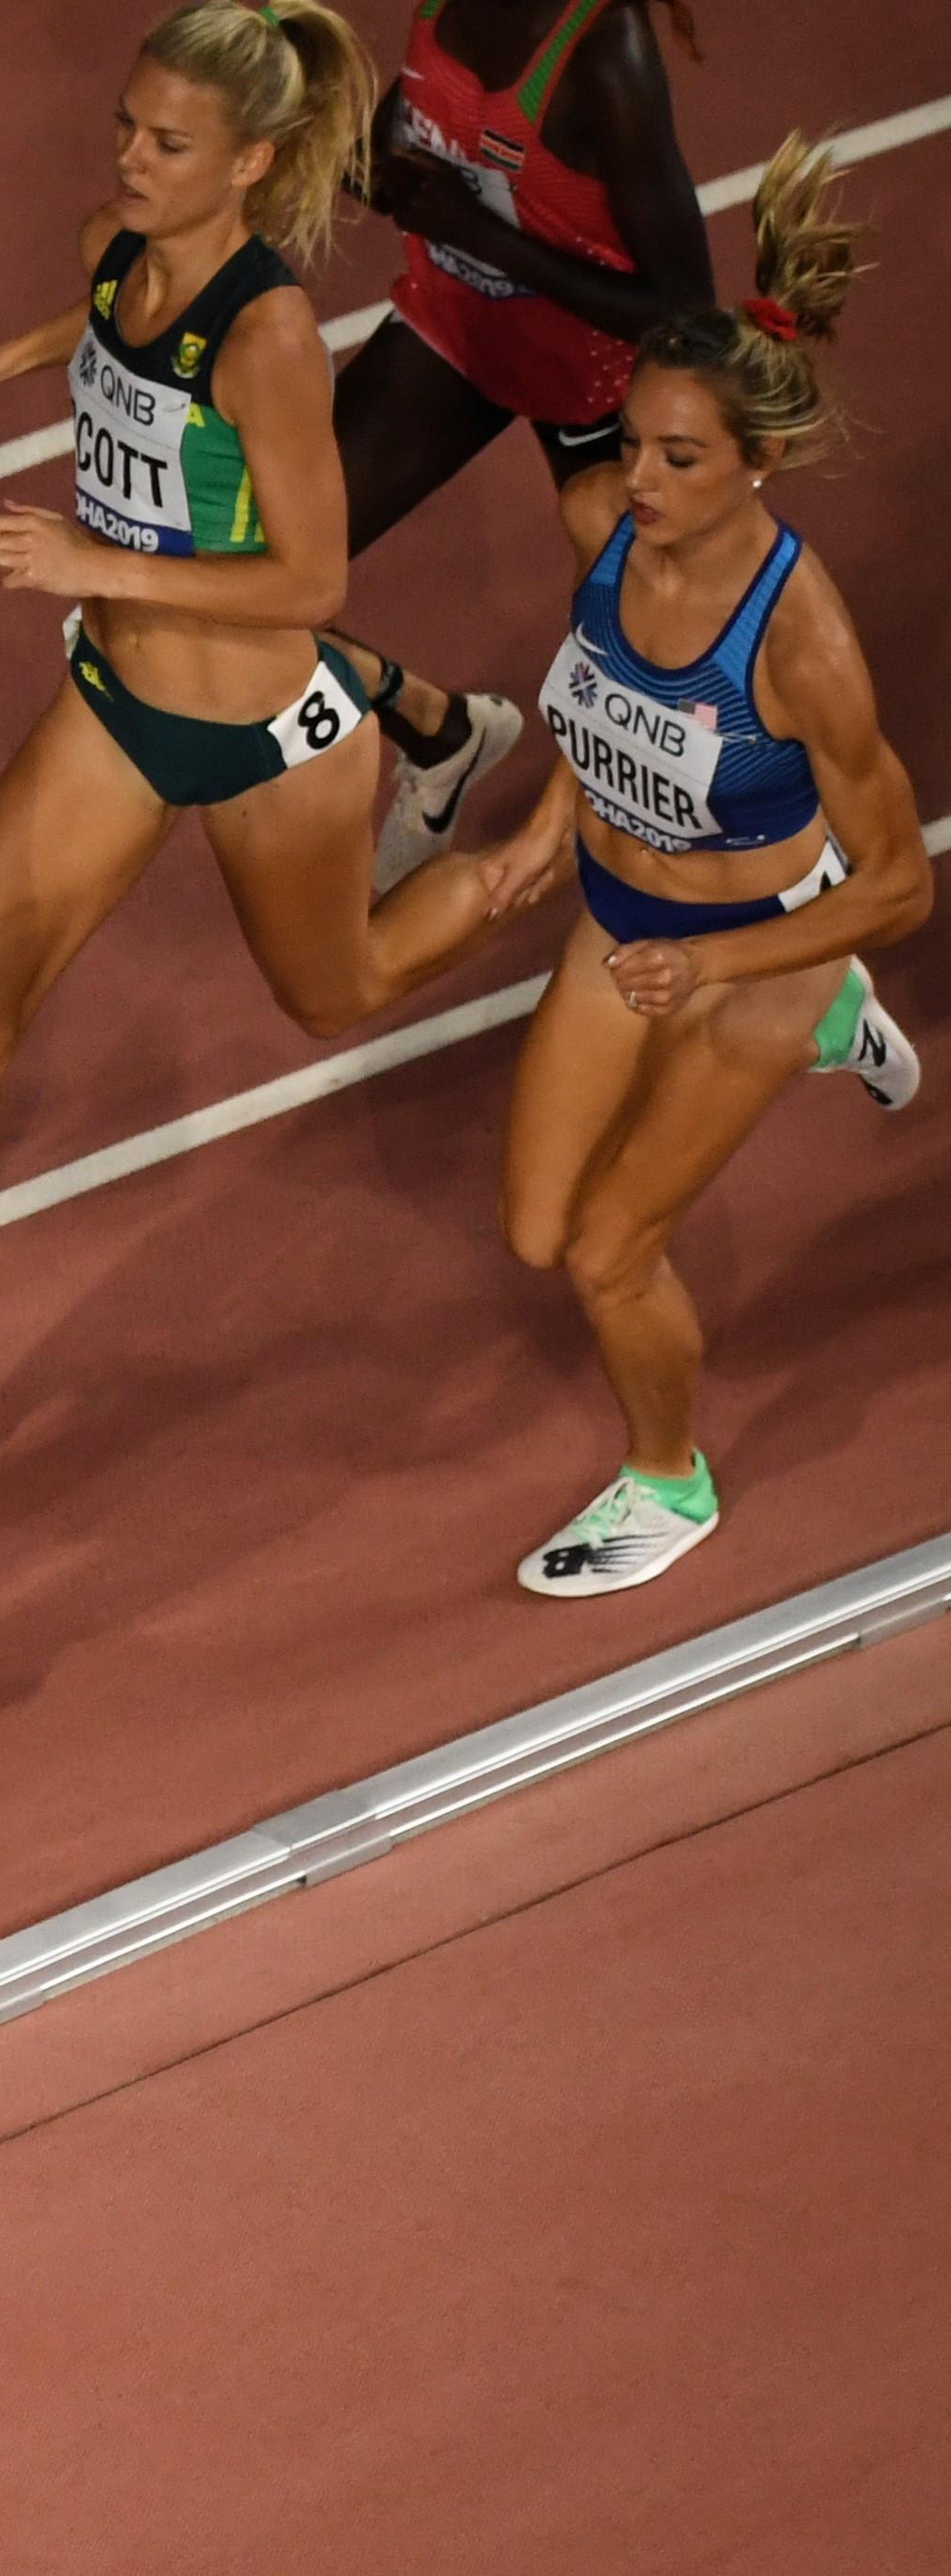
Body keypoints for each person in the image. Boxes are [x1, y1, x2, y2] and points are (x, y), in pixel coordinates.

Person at [0, 2, 529, 1465]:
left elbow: (310, 575)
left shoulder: (269, 331)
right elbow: (100, 324)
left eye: (169, 143)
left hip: (263, 736)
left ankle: (554, 834)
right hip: (115, 711)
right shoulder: (113, 238)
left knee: (333, 994)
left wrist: (92, 564)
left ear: (251, 163)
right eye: (124, 125)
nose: (131, 157)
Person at [465, 146, 924, 1596]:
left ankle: (668, 1482)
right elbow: (597, 696)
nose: (636, 480)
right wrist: (551, 824)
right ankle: (837, 1022)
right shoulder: (602, 533)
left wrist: (717, 964)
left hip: (749, 958)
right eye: (628, 445)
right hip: (620, 924)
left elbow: (901, 883)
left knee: (606, 1254)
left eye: (679, 458)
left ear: (757, 465)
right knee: (532, 1230)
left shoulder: (802, 646)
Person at [335, 0, 718, 884]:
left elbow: (685, 307)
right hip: (456, 329)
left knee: (663, 695)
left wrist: (480, 237)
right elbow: (406, 140)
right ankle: (438, 729)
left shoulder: (601, 51)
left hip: (597, 380)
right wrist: (363, 164)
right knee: (254, 563)